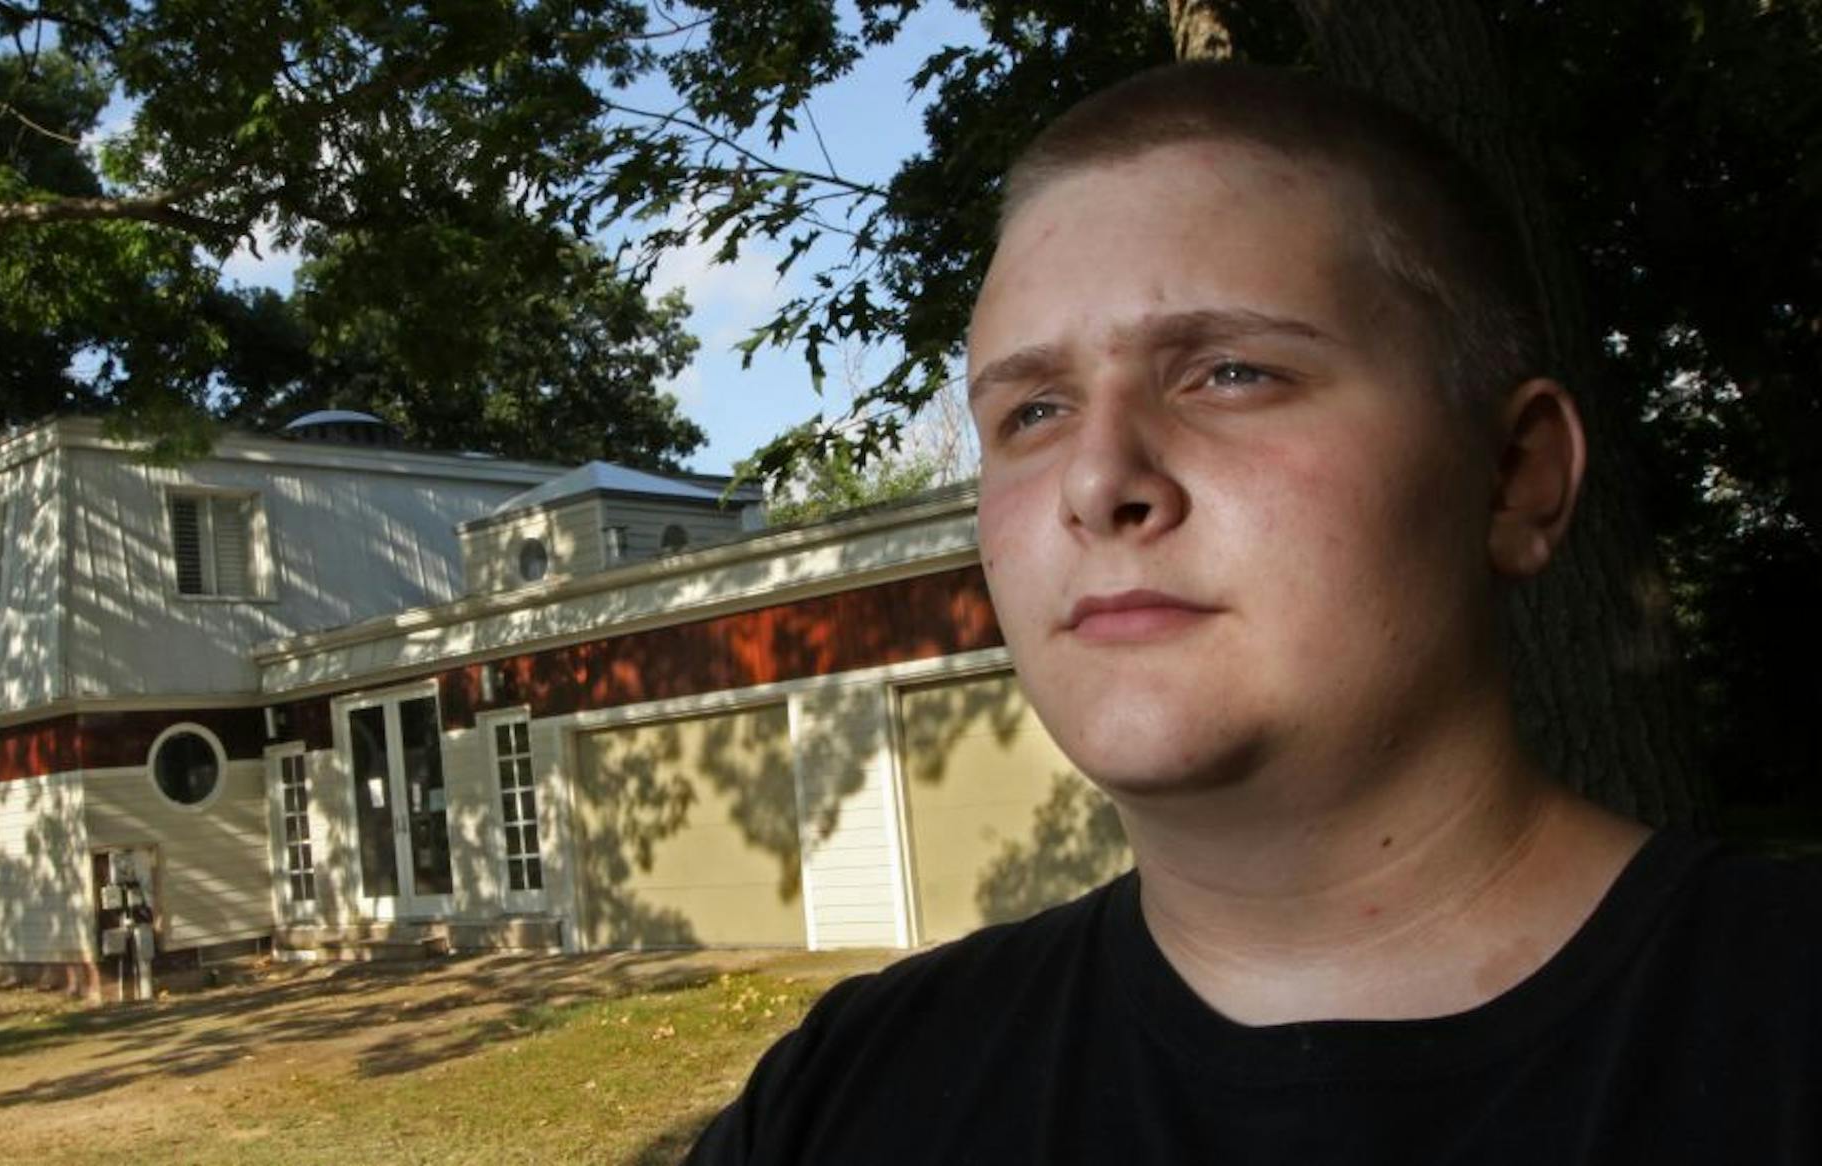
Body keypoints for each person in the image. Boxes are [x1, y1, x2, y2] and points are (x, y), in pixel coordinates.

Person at [686, 63, 1820, 1164]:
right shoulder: (846, 1093)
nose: (1096, 478)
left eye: (1231, 372)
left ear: (1516, 476)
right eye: (1032, 409)